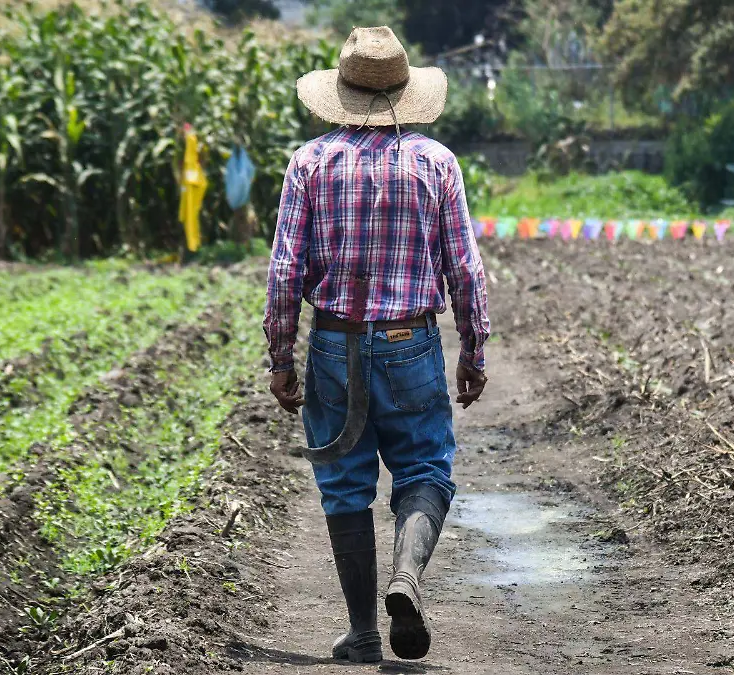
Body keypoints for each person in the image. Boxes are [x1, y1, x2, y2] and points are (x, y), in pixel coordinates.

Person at [262, 26, 490, 663]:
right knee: (423, 466)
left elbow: (284, 271)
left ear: (342, 92)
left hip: (334, 344)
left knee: (345, 483)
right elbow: (464, 268)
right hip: (411, 342)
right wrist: (474, 349)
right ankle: (407, 579)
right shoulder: (435, 162)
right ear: (404, 91)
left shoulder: (310, 163)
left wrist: (281, 357)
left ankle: (364, 633)